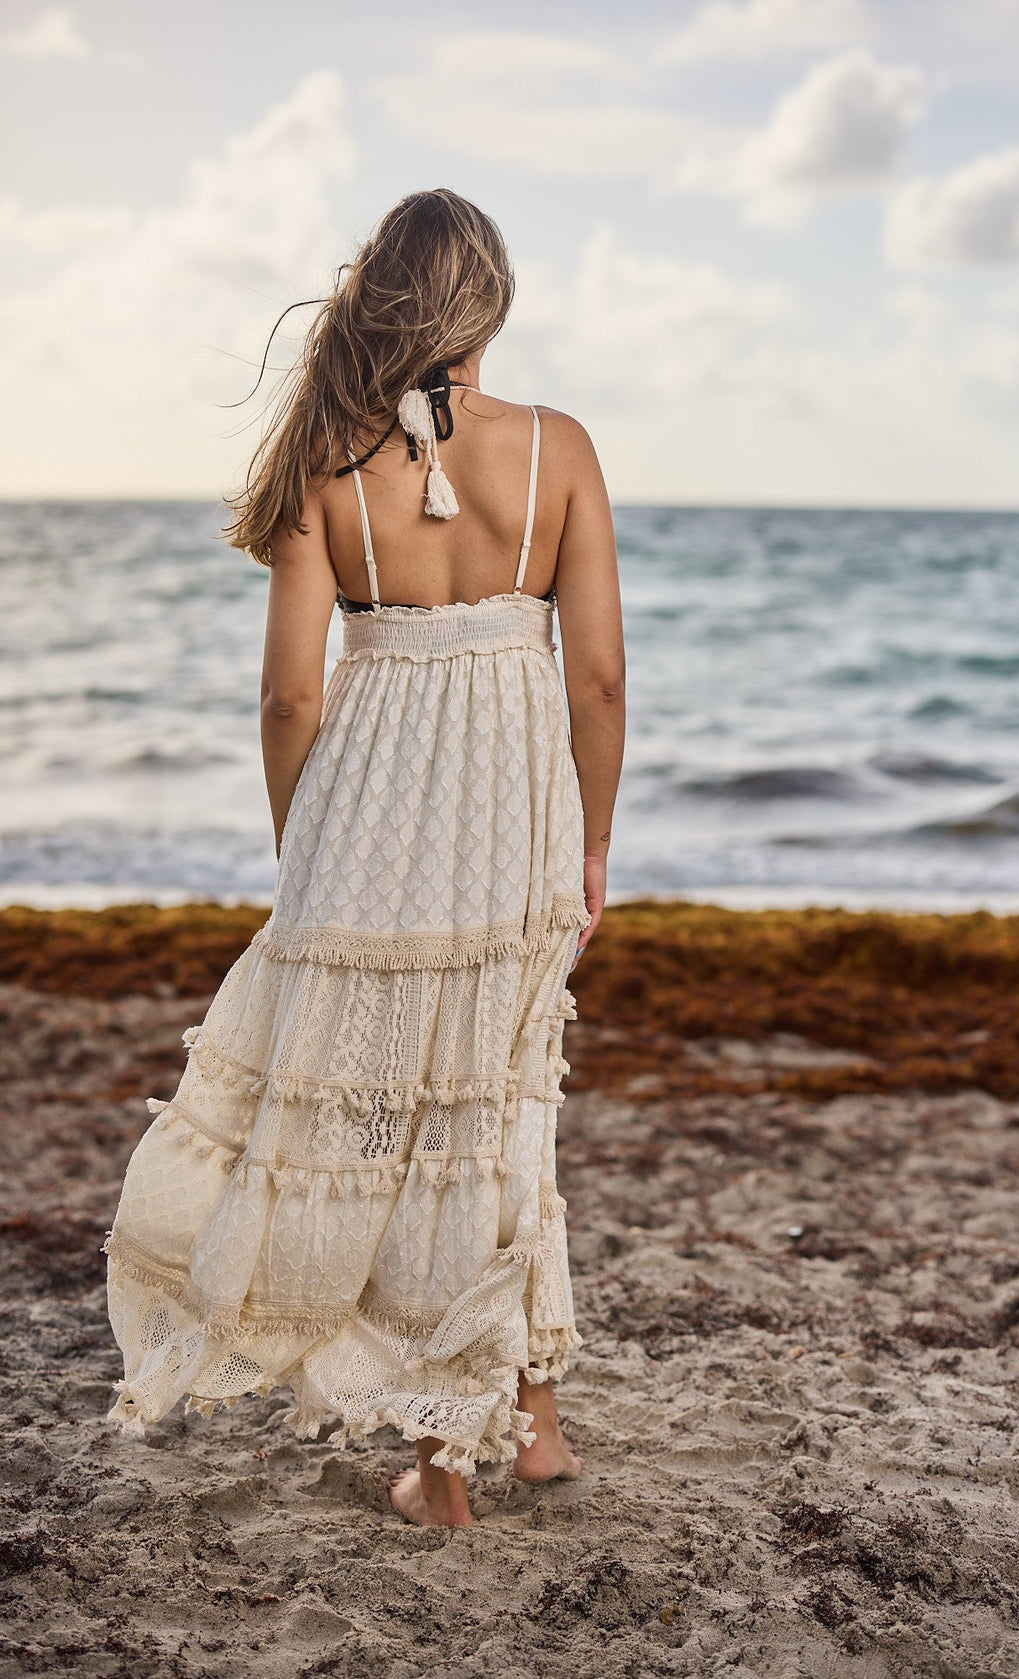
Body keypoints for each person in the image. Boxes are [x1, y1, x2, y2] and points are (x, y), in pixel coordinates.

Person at [101, 188, 626, 1528]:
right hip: (516, 830)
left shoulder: (326, 466)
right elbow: (602, 684)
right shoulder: (559, 450)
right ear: (485, 306)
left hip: (370, 844)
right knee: (505, 1111)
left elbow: (288, 699)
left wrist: (307, 851)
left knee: (396, 1128)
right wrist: (596, 841)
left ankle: (484, 1453)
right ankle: (500, 1443)